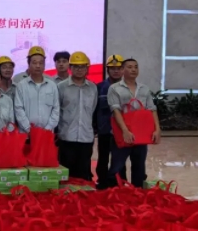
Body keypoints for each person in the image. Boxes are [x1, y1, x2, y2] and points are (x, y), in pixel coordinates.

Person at [107, 58, 161, 188]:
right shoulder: (114, 88)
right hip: (122, 134)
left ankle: (137, 194)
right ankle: (116, 194)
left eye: (136, 67)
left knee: (139, 168)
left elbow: (152, 109)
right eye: (130, 67)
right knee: (117, 168)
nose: (133, 70)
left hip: (141, 135)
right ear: (122, 70)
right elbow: (115, 110)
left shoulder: (144, 89)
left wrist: (157, 129)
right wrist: (125, 131)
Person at [57, 52, 97, 181]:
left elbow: (93, 109)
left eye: (82, 66)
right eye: (76, 66)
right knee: (66, 176)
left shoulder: (93, 87)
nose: (79, 70)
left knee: (84, 175)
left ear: (87, 68)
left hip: (86, 137)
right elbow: (57, 110)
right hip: (66, 137)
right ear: (70, 68)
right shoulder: (61, 87)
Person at [95, 54, 127, 189]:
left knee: (120, 158)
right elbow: (95, 109)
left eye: (119, 68)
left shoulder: (128, 88)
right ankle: (102, 182)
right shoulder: (99, 88)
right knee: (103, 157)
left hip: (121, 131)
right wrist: (95, 127)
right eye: (113, 68)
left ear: (123, 70)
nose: (116, 71)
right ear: (107, 70)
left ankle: (119, 182)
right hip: (105, 129)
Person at [14, 46, 60, 133]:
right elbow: (19, 109)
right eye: (34, 63)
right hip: (26, 134)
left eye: (41, 63)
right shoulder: (21, 85)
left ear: (44, 65)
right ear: (29, 64)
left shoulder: (52, 85)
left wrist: (47, 129)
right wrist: (29, 129)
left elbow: (56, 109)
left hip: (47, 134)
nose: (38, 66)